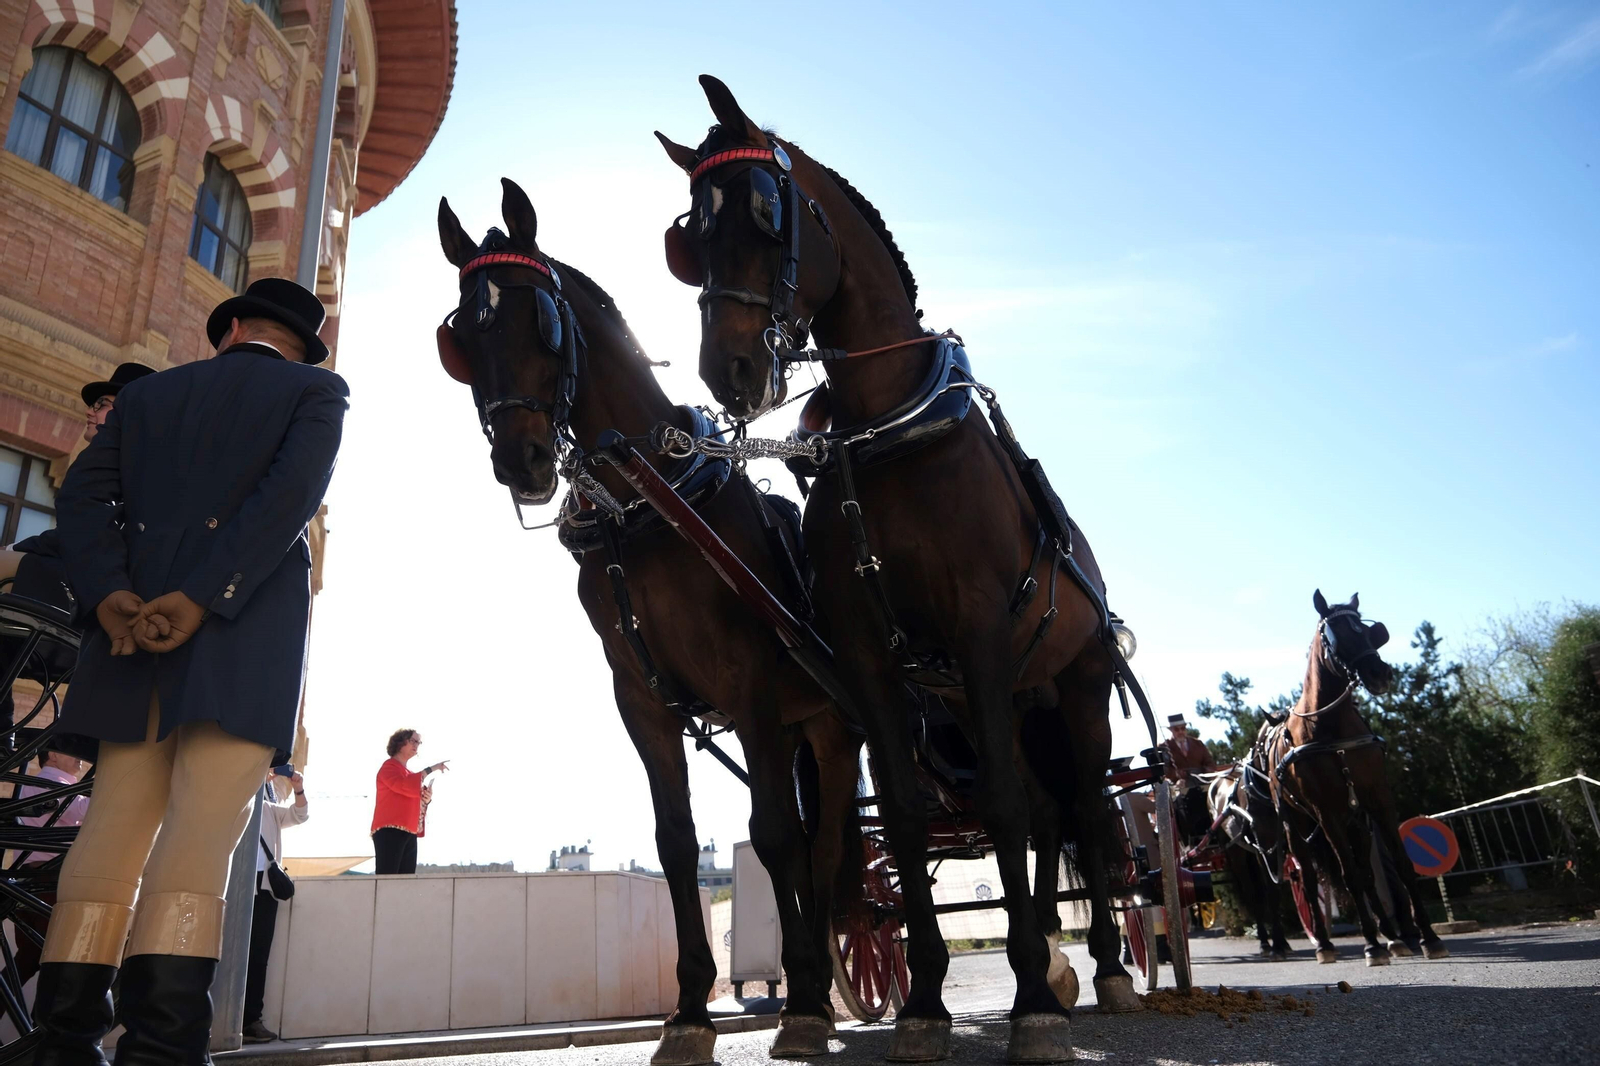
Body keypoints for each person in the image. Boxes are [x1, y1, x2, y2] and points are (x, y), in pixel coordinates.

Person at [33, 277, 347, 1065]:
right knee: (202, 836)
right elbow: (285, 505)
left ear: (232, 327)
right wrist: (203, 598)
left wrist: (112, 598)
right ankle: (161, 1049)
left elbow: (81, 502)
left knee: (108, 834)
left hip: (131, 637)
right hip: (239, 638)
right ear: (299, 344)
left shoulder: (145, 399)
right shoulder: (318, 392)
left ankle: (63, 1041)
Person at [9, 745, 93, 987]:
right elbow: (86, 811)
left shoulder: (29, 784)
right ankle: (44, 1022)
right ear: (53, 755)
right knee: (56, 959)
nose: (80, 757)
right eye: (72, 750)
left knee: (28, 959)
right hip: (51, 880)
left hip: (27, 882)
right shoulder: (52, 782)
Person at [242, 766, 307, 1044]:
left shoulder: (269, 809)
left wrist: (298, 788)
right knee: (216, 955)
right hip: (231, 885)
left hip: (264, 887)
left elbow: (300, 815)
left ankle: (251, 1021)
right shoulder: (231, 799)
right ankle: (207, 1019)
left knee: (258, 957)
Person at [370, 729, 448, 875]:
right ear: (400, 742)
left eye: (419, 742)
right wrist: (431, 769)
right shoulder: (389, 767)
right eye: (413, 741)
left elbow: (414, 793)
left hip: (409, 831)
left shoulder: (410, 774)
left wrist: (427, 798)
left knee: (406, 881)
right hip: (390, 829)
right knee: (388, 877)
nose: (416, 745)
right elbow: (404, 785)